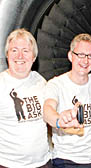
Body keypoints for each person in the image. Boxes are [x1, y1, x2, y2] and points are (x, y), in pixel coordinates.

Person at [43, 33, 91, 167]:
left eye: (90, 56)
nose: (85, 61)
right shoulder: (56, 84)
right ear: (70, 56)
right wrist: (59, 120)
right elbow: (47, 109)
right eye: (80, 55)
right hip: (66, 159)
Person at [0, 28, 51, 167]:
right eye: (14, 50)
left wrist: (88, 77)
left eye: (26, 51)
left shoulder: (40, 81)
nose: (20, 56)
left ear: (34, 57)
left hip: (42, 163)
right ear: (7, 55)